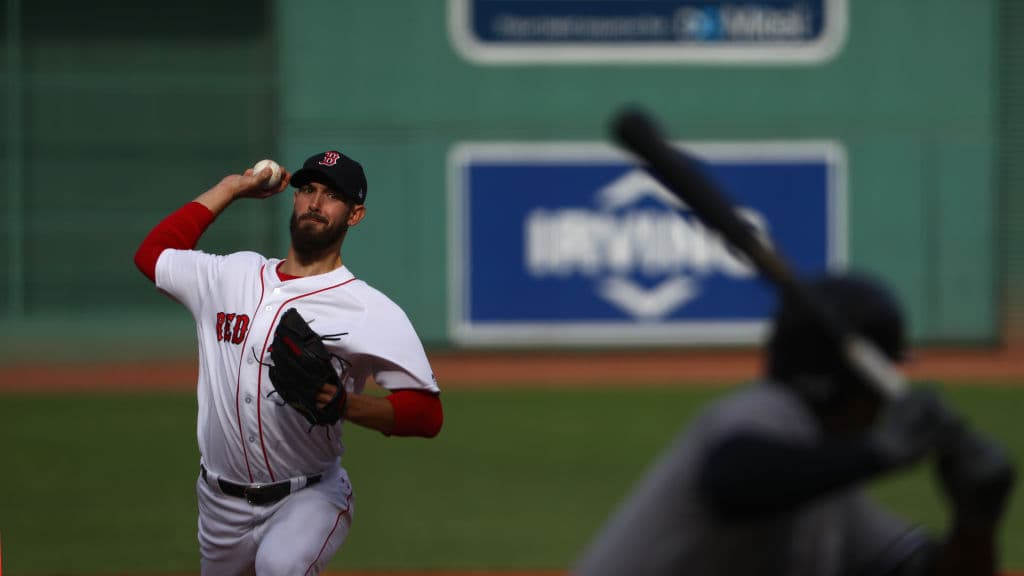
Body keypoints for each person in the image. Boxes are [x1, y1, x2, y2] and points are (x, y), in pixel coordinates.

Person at [573, 272, 1016, 576]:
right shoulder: (763, 415)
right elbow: (733, 480)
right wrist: (883, 451)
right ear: (858, 384)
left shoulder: (826, 492)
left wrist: (975, 525)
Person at [134, 150, 443, 575]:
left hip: (307, 498)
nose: (315, 202)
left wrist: (346, 405)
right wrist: (232, 188)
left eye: (332, 195)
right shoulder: (230, 275)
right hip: (218, 505)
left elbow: (427, 415)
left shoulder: (369, 309)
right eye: (308, 189)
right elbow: (152, 255)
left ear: (355, 215)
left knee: (281, 566)